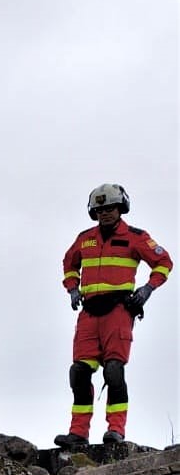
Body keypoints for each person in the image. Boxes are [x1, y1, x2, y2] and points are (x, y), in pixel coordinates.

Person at [55, 184, 173, 447]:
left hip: (118, 311)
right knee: (79, 373)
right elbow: (69, 263)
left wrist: (147, 289)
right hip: (88, 313)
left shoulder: (135, 237)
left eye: (110, 208)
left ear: (121, 208)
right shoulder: (84, 238)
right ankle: (78, 433)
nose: (105, 214)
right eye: (99, 209)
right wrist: (73, 289)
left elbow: (164, 262)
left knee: (114, 371)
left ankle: (116, 429)